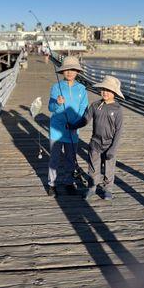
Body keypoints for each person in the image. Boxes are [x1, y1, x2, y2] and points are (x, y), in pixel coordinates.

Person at [68, 75, 124, 200]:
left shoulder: (118, 109)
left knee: (109, 169)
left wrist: (113, 149)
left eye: (109, 90)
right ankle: (92, 188)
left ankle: (107, 189)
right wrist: (73, 126)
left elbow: (119, 131)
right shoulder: (95, 105)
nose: (105, 92)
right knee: (93, 167)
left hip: (110, 144)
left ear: (114, 93)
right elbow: (85, 120)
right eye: (103, 89)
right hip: (95, 143)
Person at [48, 56, 88, 197]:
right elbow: (51, 108)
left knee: (70, 157)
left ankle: (69, 182)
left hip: (72, 129)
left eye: (72, 70)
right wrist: (57, 103)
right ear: (62, 71)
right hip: (56, 130)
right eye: (66, 70)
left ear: (77, 71)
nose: (69, 72)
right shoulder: (56, 87)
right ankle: (51, 184)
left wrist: (75, 123)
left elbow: (84, 108)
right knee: (55, 158)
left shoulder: (82, 89)